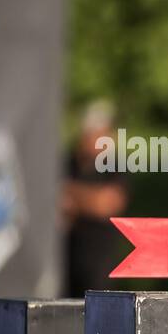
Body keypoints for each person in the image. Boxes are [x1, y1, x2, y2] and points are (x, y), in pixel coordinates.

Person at [62, 101, 128, 297]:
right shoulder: (69, 162)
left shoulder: (115, 165)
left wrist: (73, 194)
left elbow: (108, 203)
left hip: (101, 262)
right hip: (68, 260)